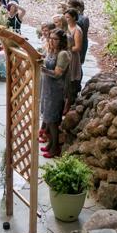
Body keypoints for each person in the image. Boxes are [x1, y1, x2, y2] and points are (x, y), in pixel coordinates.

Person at [40, 29, 70, 158]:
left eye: (55, 39)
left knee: (52, 120)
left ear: (61, 41)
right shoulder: (50, 51)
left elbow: (58, 74)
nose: (51, 41)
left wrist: (43, 69)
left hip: (56, 90)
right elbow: (42, 58)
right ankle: (50, 144)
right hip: (47, 87)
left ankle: (55, 148)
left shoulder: (63, 54)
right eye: (50, 38)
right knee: (47, 117)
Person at [64, 8, 84, 102]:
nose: (66, 18)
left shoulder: (77, 30)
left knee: (70, 81)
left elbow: (77, 48)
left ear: (74, 17)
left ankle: (68, 103)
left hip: (72, 57)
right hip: (65, 55)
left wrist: (65, 49)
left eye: (67, 17)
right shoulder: (65, 27)